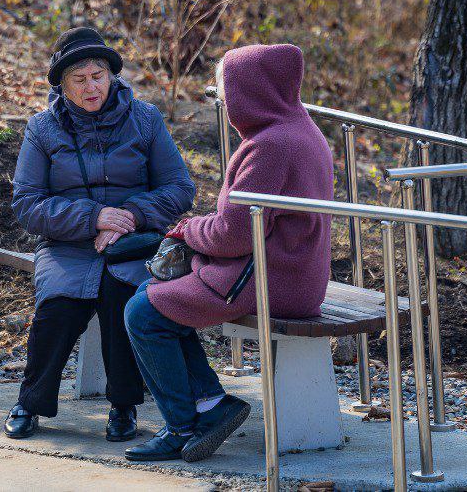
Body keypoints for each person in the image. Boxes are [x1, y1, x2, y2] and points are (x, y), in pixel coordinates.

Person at [123, 43, 334, 463]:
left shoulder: (270, 147)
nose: (220, 100)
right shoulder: (299, 128)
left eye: (222, 90)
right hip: (294, 273)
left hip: (270, 278)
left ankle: (182, 427)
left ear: (249, 91)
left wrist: (186, 228)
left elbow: (231, 236)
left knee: (142, 313)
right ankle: (209, 406)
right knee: (158, 299)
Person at [6, 26, 196, 442]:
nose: (91, 86)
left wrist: (126, 216)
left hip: (133, 242)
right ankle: (30, 402)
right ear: (62, 85)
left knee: (121, 298)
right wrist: (94, 217)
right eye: (80, 79)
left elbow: (180, 188)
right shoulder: (42, 128)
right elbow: (27, 203)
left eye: (98, 76)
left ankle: (124, 405)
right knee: (58, 308)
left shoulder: (145, 119)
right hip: (67, 243)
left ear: (111, 76)